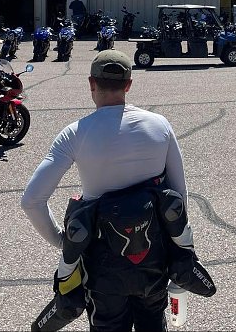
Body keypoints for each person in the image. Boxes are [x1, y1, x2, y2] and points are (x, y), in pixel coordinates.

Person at [21, 50, 189, 331]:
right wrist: (180, 252)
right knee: (152, 322)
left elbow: (32, 200)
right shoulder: (160, 125)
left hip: (102, 263)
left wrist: (63, 242)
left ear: (91, 83)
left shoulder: (74, 133)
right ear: (129, 84)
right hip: (153, 254)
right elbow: (179, 196)